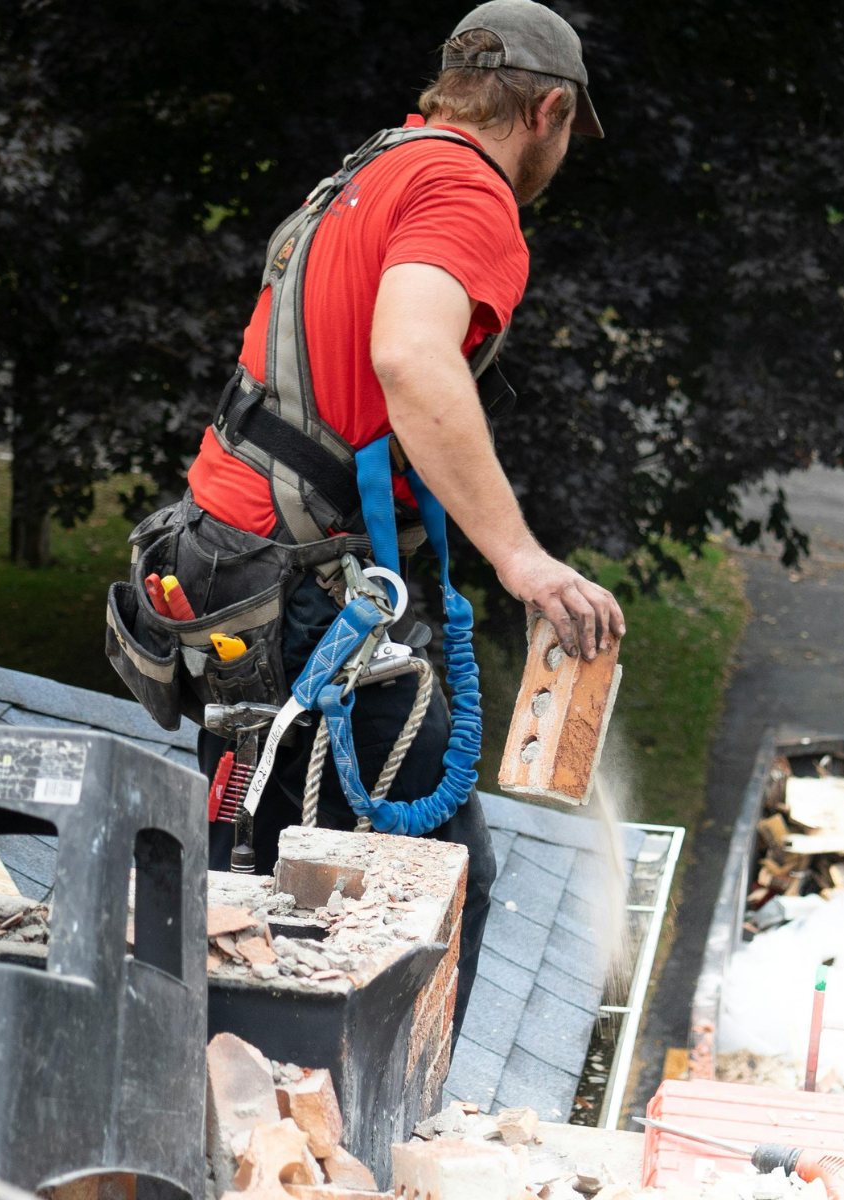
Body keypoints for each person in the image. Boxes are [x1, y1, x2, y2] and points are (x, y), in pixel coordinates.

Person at [154, 0, 625, 1035]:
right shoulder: (468, 193)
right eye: (563, 136)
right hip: (302, 593)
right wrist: (521, 559)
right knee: (428, 896)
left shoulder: (375, 168)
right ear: (547, 110)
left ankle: (219, 1111)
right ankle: (360, 1163)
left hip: (223, 563)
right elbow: (410, 358)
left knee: (244, 877)